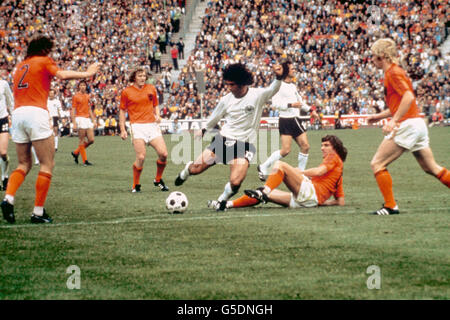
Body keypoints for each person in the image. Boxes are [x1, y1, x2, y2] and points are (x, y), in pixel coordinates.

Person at [1, 35, 100, 224]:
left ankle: (8, 198)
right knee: (47, 164)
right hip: (36, 112)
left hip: (18, 113)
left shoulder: (20, 66)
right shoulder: (44, 60)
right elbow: (61, 75)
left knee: (23, 164)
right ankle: (37, 212)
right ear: (45, 49)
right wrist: (87, 73)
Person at [174, 62, 286, 211]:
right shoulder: (226, 100)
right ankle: (186, 171)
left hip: (243, 145)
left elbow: (273, 89)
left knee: (236, 181)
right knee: (196, 169)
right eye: (227, 84)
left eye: (231, 84)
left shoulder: (257, 96)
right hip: (223, 141)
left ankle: (221, 201)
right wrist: (203, 131)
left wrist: (278, 76)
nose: (229, 88)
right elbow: (214, 117)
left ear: (241, 83)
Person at [367, 38, 450, 215]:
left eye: (373, 57)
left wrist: (393, 121)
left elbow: (408, 97)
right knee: (432, 168)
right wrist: (378, 116)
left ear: (382, 56)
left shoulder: (393, 73)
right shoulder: (394, 72)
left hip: (408, 124)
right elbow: (400, 103)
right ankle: (390, 206)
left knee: (377, 163)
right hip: (417, 124)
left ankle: (390, 206)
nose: (372, 60)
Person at [218, 135, 347, 210]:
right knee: (265, 193)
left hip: (310, 194)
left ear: (334, 148)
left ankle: (264, 192)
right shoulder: (337, 175)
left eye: (326, 145)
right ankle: (227, 204)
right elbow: (340, 201)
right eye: (322, 145)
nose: (322, 148)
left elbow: (319, 171)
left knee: (280, 165)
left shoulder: (334, 157)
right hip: (309, 201)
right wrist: (322, 202)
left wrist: (301, 172)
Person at [257, 59, 320, 181]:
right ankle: (264, 166)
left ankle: (300, 173)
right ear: (286, 72)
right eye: (292, 69)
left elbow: (300, 102)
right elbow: (275, 104)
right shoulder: (278, 86)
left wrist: (311, 111)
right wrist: (291, 105)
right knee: (286, 150)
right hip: (286, 120)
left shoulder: (292, 85)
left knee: (305, 146)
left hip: (294, 119)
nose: (294, 70)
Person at [119, 68, 169, 193]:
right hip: (137, 127)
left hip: (152, 126)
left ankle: (158, 180)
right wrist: (122, 129)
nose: (142, 78)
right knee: (141, 157)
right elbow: (122, 111)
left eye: (144, 76)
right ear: (134, 77)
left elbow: (155, 105)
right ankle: (136, 184)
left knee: (164, 154)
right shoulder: (126, 92)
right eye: (139, 75)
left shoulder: (151, 88)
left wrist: (157, 115)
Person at [70, 81, 96, 166]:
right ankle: (85, 161)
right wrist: (74, 123)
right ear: (78, 87)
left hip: (87, 118)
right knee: (81, 140)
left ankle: (76, 152)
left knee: (91, 140)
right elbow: (73, 110)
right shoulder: (75, 96)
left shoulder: (87, 96)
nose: (82, 86)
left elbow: (89, 109)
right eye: (81, 85)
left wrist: (94, 120)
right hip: (79, 118)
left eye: (84, 85)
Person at [0, 71, 14, 190]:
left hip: (2, 119)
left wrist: (15, 117)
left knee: (3, 152)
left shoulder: (3, 84)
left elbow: (11, 102)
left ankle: (5, 176)